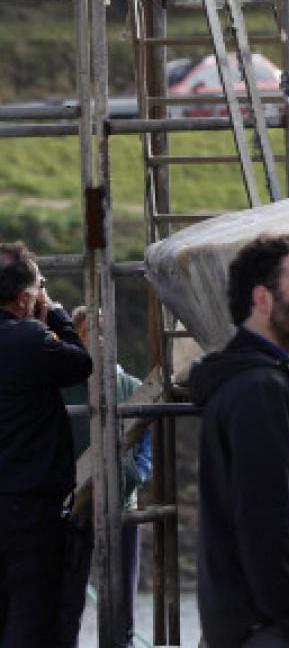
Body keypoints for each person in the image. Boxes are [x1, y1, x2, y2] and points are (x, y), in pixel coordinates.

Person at [189, 234, 289, 648]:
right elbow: (270, 523)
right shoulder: (260, 390)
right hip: (276, 633)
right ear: (263, 299)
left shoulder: (276, 380)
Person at [0, 242, 92, 648]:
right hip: (27, 505)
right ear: (23, 299)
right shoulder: (28, 340)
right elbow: (79, 363)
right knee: (32, 615)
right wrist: (53, 315)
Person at [58, 307, 152, 648]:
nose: (97, 338)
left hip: (123, 510)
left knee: (122, 602)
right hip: (74, 510)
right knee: (68, 603)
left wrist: (131, 476)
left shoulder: (135, 387)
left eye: (102, 330)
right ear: (77, 338)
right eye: (88, 331)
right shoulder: (64, 390)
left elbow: (146, 453)